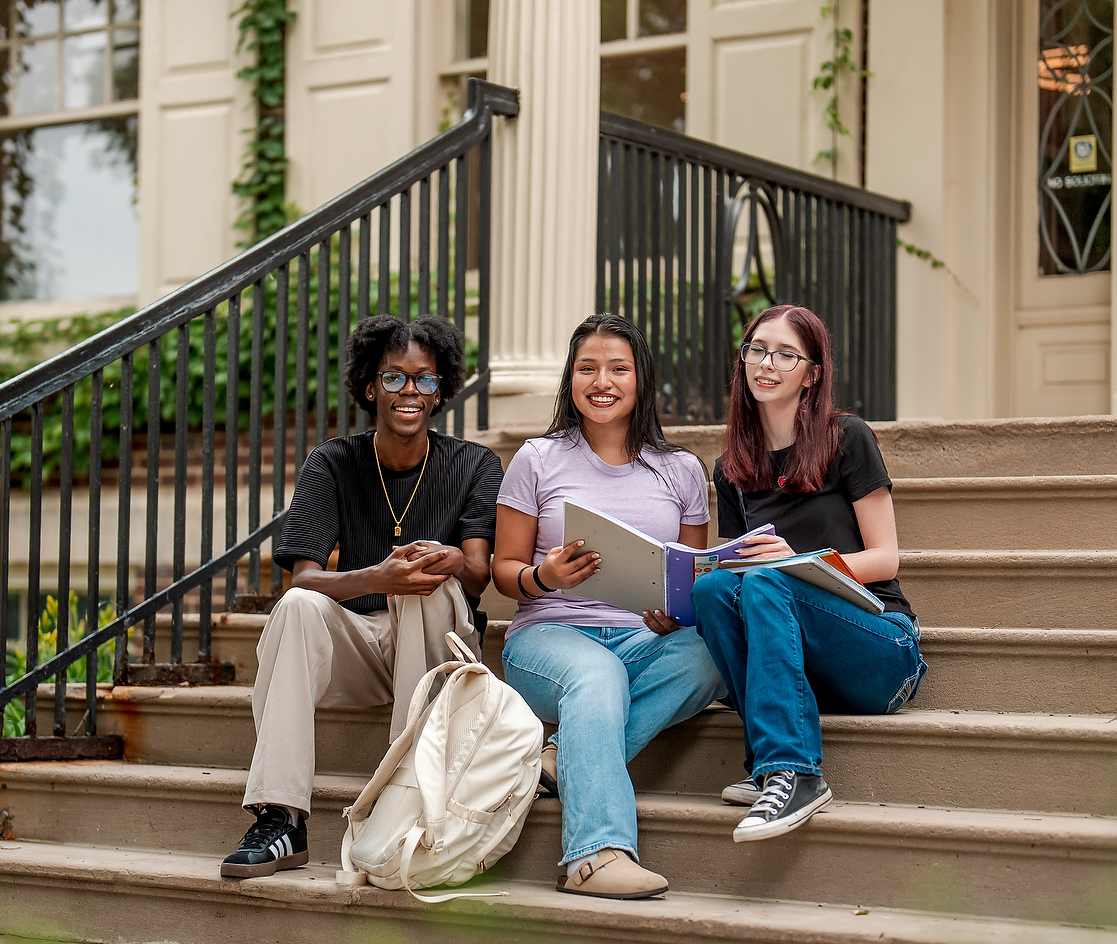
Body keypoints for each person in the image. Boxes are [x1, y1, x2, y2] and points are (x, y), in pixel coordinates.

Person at [222, 314, 503, 879]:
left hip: (436, 645)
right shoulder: (332, 461)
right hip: (360, 643)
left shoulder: (475, 464)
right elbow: (302, 578)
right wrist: (377, 578)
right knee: (298, 607)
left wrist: (445, 562)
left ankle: (404, 799)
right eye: (394, 377)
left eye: (424, 380)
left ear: (441, 389)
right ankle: (281, 819)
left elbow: (478, 575)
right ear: (369, 386)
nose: (409, 392)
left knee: (428, 586)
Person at [493, 313, 727, 901]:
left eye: (618, 368)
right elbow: (503, 573)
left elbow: (687, 580)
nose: (603, 380)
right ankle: (593, 854)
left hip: (639, 638)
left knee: (714, 653)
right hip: (548, 641)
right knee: (596, 677)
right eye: (587, 367)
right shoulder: (537, 459)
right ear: (570, 379)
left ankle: (558, 758)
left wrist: (676, 614)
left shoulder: (681, 471)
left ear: (641, 378)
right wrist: (542, 576)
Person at [692, 304, 926, 843]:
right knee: (713, 588)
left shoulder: (847, 438)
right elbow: (735, 574)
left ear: (812, 373)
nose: (766, 364)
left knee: (771, 580)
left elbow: (885, 558)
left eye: (785, 354)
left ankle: (795, 773)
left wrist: (793, 564)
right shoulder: (732, 466)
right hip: (804, 671)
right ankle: (769, 765)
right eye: (756, 349)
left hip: (880, 648)